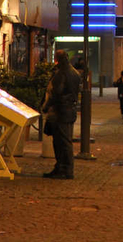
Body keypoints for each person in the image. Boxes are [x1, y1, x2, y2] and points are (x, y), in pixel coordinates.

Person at [41, 49, 80, 179]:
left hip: (60, 111)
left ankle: (64, 169)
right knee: (64, 141)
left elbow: (56, 93)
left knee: (61, 142)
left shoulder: (61, 73)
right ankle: (62, 168)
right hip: (69, 110)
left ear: (57, 59)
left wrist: (46, 106)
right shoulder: (74, 72)